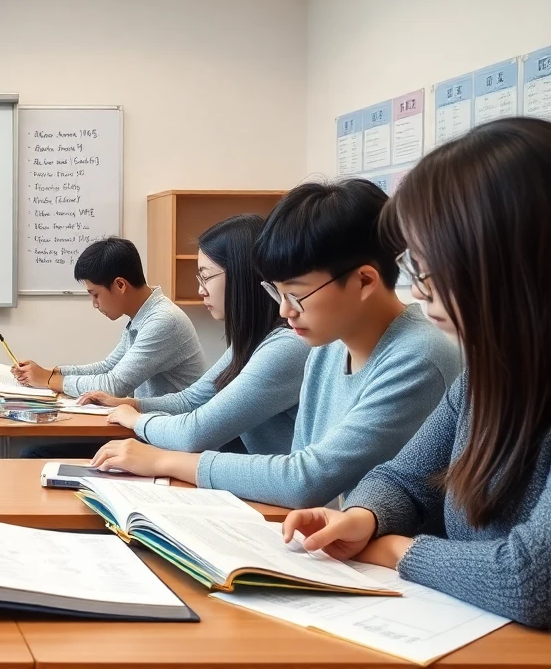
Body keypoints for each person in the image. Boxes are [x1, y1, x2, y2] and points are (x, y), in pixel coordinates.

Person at [283, 118, 551, 630]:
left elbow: (530, 580)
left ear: (506, 261)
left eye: (429, 266)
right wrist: (363, 519)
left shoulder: (433, 354)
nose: (418, 287)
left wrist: (395, 550)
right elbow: (405, 477)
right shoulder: (488, 376)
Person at [94, 179, 462, 509]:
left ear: (365, 281)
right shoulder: (327, 349)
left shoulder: (419, 357)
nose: (285, 310)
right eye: (277, 292)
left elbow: (305, 479)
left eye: (296, 295)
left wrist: (163, 460)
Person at [81, 215, 308, 456]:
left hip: (263, 487)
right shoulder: (254, 340)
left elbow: (194, 434)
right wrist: (133, 404)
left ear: (242, 274)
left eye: (207, 276)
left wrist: (136, 419)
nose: (201, 290)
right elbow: (191, 400)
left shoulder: (284, 346)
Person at [12, 236, 205, 459]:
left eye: (95, 294)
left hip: (170, 439)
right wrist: (55, 372)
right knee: (35, 451)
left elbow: (114, 385)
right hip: (150, 429)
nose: (95, 304)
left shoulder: (163, 320)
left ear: (120, 285)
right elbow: (109, 366)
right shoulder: (142, 316)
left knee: (34, 455)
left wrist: (48, 380)